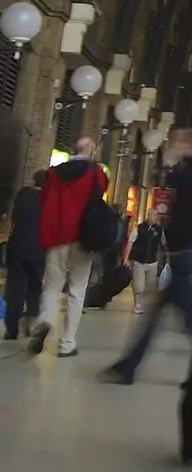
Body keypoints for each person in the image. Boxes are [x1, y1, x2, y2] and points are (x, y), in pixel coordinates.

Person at [99, 128, 192, 385]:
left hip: (182, 253)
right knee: (166, 317)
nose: (172, 146)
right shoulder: (189, 172)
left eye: (178, 142)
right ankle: (129, 367)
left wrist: (174, 244)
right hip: (181, 251)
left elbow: (185, 215)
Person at [28, 138, 108, 358]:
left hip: (57, 236)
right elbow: (100, 192)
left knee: (52, 285)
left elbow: (43, 201)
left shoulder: (53, 174)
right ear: (91, 151)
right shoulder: (95, 172)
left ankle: (44, 321)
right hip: (83, 237)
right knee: (77, 289)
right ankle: (66, 344)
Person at [3, 170, 46, 340]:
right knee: (34, 286)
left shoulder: (22, 195)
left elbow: (14, 218)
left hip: (17, 245)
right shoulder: (47, 200)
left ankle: (11, 328)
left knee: (15, 286)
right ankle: (30, 319)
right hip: (37, 249)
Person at [126, 207, 164, 314]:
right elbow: (130, 242)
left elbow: (163, 244)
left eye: (157, 215)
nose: (156, 217)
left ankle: (143, 303)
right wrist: (126, 258)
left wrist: (166, 256)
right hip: (139, 261)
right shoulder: (139, 228)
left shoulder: (159, 230)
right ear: (149, 216)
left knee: (150, 285)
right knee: (138, 284)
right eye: (154, 215)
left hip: (152, 261)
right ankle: (137, 304)